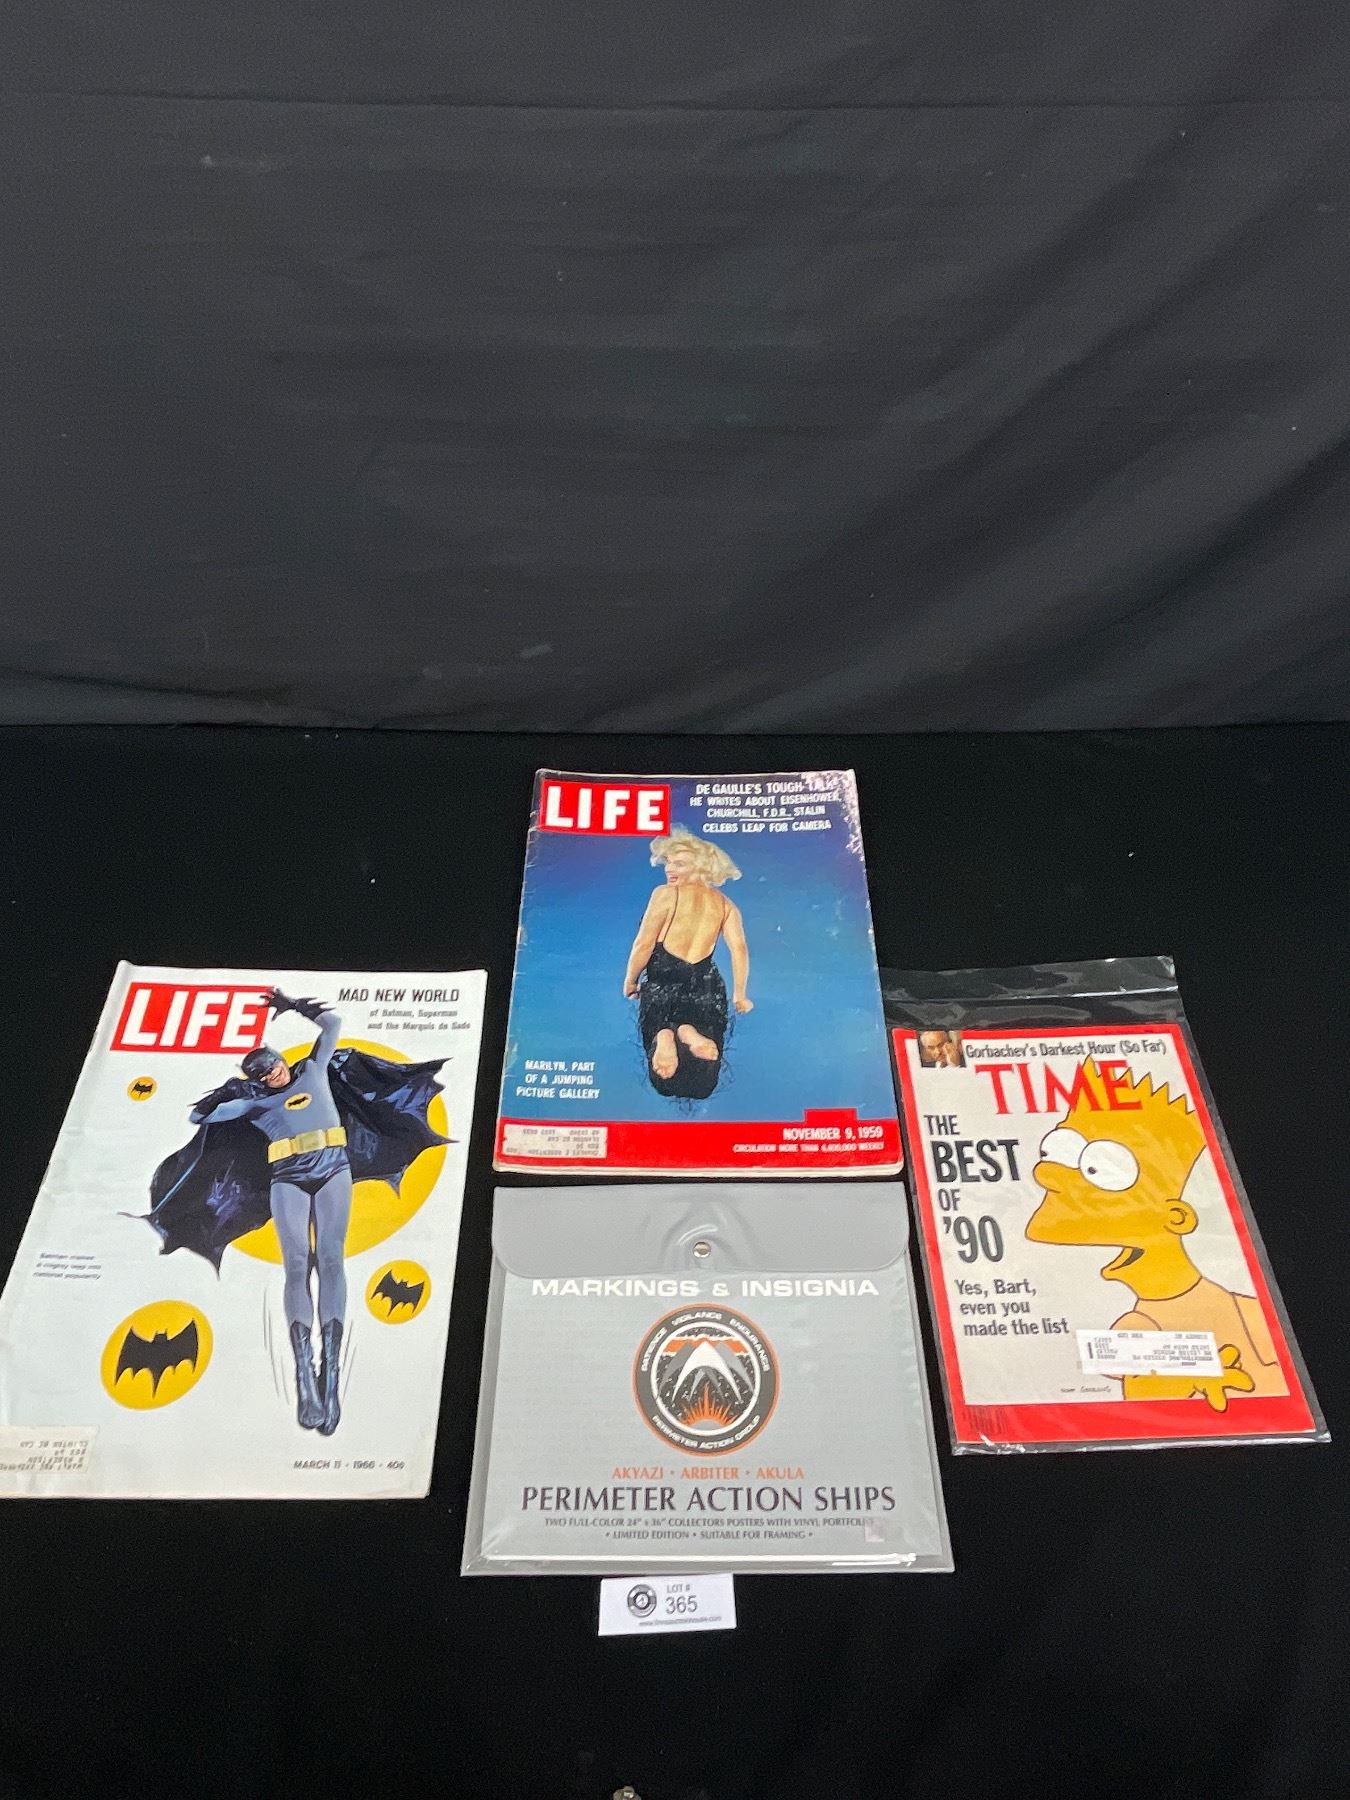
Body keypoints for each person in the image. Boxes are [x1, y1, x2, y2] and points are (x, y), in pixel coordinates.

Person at [187, 988, 350, 1434]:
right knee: (297, 1264)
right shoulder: (255, 1101)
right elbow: (199, 1118)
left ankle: (330, 1374)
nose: (274, 1074)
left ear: (281, 1059)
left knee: (331, 1259)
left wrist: (295, 1005)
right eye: (263, 1073)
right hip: (288, 1179)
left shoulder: (312, 1069)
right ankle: (305, 1374)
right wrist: (227, 1093)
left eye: (274, 1065)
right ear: (256, 1079)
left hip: (333, 1169)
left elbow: (333, 1025)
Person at [623, 826, 751, 1100]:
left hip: (665, 977)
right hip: (706, 983)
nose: (670, 869)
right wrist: (740, 995)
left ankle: (664, 1033)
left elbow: (644, 943)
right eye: (668, 862)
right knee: (703, 1080)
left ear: (702, 867)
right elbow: (739, 949)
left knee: (655, 1030)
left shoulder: (666, 894)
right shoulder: (726, 905)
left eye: (679, 863)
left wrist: (631, 980)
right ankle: (688, 1031)